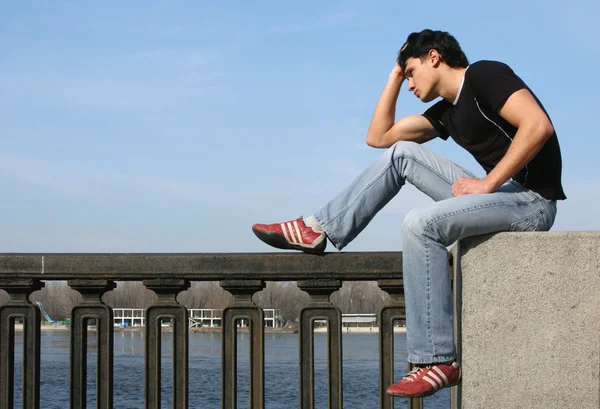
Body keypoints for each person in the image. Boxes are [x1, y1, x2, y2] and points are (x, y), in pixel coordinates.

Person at [252, 29, 566, 398]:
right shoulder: (447, 113)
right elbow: (379, 138)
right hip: (503, 191)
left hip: (532, 202)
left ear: (434, 57)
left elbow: (538, 126)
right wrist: (394, 74)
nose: (409, 84)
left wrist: (487, 183)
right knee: (402, 154)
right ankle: (319, 228)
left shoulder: (485, 75)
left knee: (421, 224)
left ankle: (436, 360)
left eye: (411, 72)